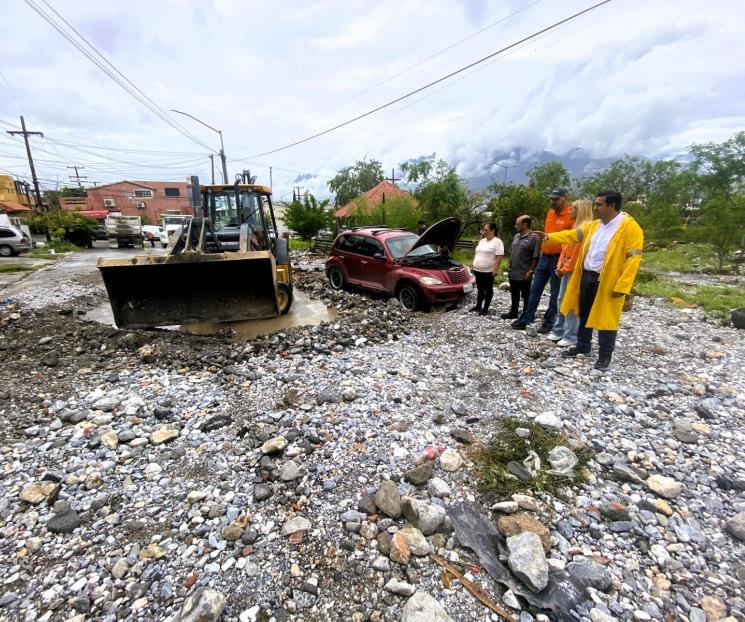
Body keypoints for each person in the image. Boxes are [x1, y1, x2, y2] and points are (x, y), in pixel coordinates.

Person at [536, 191, 643, 371]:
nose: (595, 208)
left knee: (607, 319)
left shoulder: (630, 228)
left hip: (608, 280)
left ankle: (604, 356)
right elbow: (573, 235)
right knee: (583, 312)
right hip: (586, 276)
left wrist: (623, 285)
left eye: (599, 204)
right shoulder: (594, 226)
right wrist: (550, 237)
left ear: (612, 206)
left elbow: (633, 259)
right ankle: (583, 346)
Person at [511, 186, 575, 332]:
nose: (553, 202)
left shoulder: (571, 215)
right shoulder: (550, 213)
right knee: (535, 289)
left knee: (555, 292)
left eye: (556, 199)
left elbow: (572, 239)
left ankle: (549, 321)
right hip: (544, 256)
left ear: (565, 197)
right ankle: (527, 318)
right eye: (552, 199)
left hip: (558, 259)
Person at [547, 199, 593, 346]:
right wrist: (560, 266)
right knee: (561, 299)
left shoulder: (585, 229)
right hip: (565, 269)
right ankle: (559, 329)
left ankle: (571, 335)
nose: (569, 211)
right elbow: (565, 249)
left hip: (575, 272)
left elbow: (578, 255)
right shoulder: (574, 227)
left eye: (572, 208)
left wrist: (564, 268)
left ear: (580, 211)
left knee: (572, 302)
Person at [502, 215, 540, 320]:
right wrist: (509, 264)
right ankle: (513, 312)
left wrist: (531, 271)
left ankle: (526, 315)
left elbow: (535, 257)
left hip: (524, 273)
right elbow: (511, 253)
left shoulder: (534, 238)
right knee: (514, 293)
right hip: (513, 271)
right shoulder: (516, 237)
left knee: (526, 295)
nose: (515, 226)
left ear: (525, 225)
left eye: (517, 224)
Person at [469, 222, 504, 316]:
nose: (483, 232)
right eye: (483, 229)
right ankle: (478, 306)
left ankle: (485, 308)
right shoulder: (482, 241)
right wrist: (473, 265)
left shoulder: (497, 242)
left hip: (488, 271)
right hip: (478, 270)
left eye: (486, 230)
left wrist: (495, 269)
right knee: (480, 289)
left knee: (488, 289)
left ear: (492, 230)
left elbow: (499, 256)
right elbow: (477, 253)